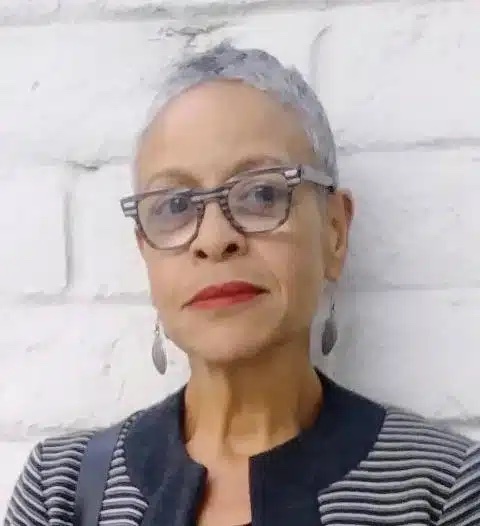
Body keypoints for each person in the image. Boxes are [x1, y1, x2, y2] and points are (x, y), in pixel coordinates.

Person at [4, 42, 480, 526]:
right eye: (174, 206)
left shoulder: (443, 489)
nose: (214, 239)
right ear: (145, 249)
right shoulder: (61, 490)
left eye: (261, 194)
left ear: (334, 232)